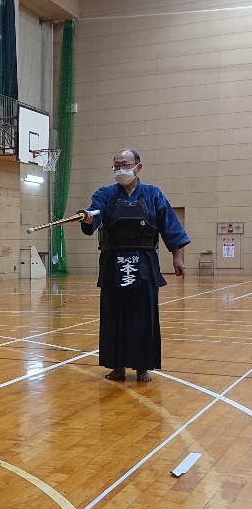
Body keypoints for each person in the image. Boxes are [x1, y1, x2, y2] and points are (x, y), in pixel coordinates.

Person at [81, 149, 190, 382]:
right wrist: (89, 218)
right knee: (113, 314)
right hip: (113, 262)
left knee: (143, 315)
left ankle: (142, 366)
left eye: (125, 164)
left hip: (144, 262)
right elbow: (95, 215)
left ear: (138, 167)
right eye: (117, 165)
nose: (121, 169)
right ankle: (117, 366)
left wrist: (177, 256)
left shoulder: (153, 193)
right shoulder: (105, 194)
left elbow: (169, 225)